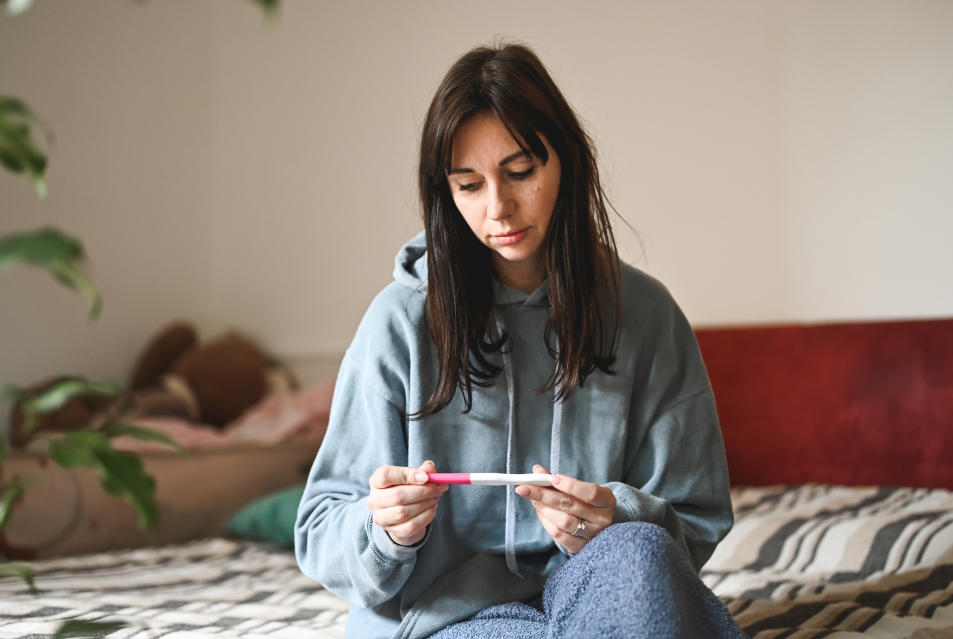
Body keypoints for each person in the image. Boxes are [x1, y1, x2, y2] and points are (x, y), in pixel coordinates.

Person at [295, 42, 743, 639]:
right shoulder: (397, 324)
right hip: (451, 616)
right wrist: (386, 533)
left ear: (566, 161)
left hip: (602, 589)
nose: (498, 209)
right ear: (444, 194)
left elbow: (698, 515)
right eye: (468, 185)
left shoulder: (646, 316)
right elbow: (320, 529)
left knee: (638, 552)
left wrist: (618, 518)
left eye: (521, 172)